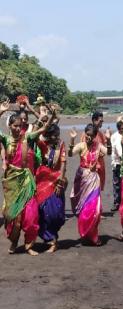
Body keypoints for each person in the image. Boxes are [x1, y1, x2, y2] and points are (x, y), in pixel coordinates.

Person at [0, 101, 55, 255]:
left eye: (20, 126)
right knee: (13, 217)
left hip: (28, 182)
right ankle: (14, 241)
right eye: (15, 126)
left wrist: (53, 116)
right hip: (13, 183)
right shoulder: (6, 140)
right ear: (9, 126)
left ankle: (28, 245)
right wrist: (2, 111)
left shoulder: (28, 138)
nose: (18, 128)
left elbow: (44, 128)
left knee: (31, 215)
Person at [69, 124, 111, 246]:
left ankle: (93, 236)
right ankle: (85, 234)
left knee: (94, 209)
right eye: (87, 134)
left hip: (93, 180)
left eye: (91, 136)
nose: (89, 137)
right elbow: (70, 154)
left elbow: (108, 152)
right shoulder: (81, 146)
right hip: (82, 179)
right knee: (83, 208)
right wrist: (72, 139)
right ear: (85, 134)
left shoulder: (98, 146)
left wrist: (108, 140)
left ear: (94, 136)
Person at [35, 124, 67, 253]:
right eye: (54, 135)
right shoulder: (42, 144)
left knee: (55, 212)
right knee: (41, 210)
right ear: (48, 135)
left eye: (57, 135)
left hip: (56, 180)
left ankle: (54, 240)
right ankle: (48, 238)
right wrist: (41, 122)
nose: (56, 137)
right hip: (42, 181)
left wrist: (60, 182)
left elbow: (63, 164)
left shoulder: (60, 145)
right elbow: (33, 136)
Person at [81, 111, 108, 191]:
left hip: (100, 166)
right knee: (89, 191)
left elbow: (104, 150)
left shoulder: (101, 134)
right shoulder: (86, 134)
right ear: (94, 120)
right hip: (90, 168)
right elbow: (83, 150)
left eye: (102, 121)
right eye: (100, 121)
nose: (101, 123)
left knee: (98, 190)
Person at [110, 120, 123, 212]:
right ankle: (116, 203)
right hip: (117, 163)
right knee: (116, 184)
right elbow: (115, 149)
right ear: (119, 128)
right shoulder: (114, 136)